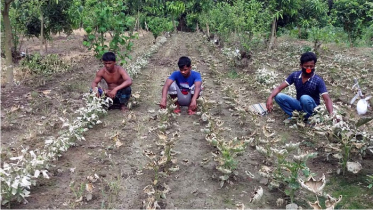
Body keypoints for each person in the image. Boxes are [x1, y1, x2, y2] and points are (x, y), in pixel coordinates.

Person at [266, 52, 333, 121]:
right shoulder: (295, 75)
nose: (309, 69)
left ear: (314, 65)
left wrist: (331, 114)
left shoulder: (318, 80)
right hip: (300, 104)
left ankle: (309, 118)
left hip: (313, 108)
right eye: (306, 66)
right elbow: (279, 88)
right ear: (301, 65)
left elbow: (327, 99)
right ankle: (295, 116)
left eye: (311, 66)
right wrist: (270, 97)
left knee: (304, 98)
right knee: (279, 96)